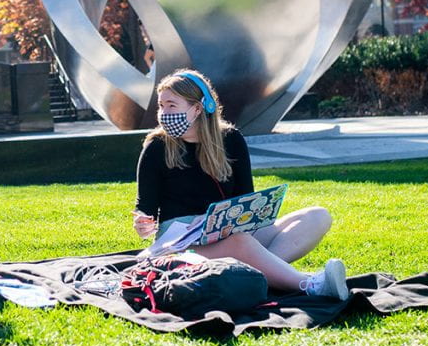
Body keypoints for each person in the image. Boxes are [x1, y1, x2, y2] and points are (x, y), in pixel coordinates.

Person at [132, 69, 349, 300]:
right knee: (241, 242)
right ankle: (310, 284)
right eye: (161, 106)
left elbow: (246, 199)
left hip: (227, 230)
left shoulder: (231, 140)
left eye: (171, 106)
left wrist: (242, 217)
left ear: (198, 108)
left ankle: (260, 275)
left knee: (317, 216)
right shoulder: (156, 147)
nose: (164, 114)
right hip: (181, 245)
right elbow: (145, 211)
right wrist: (143, 224)